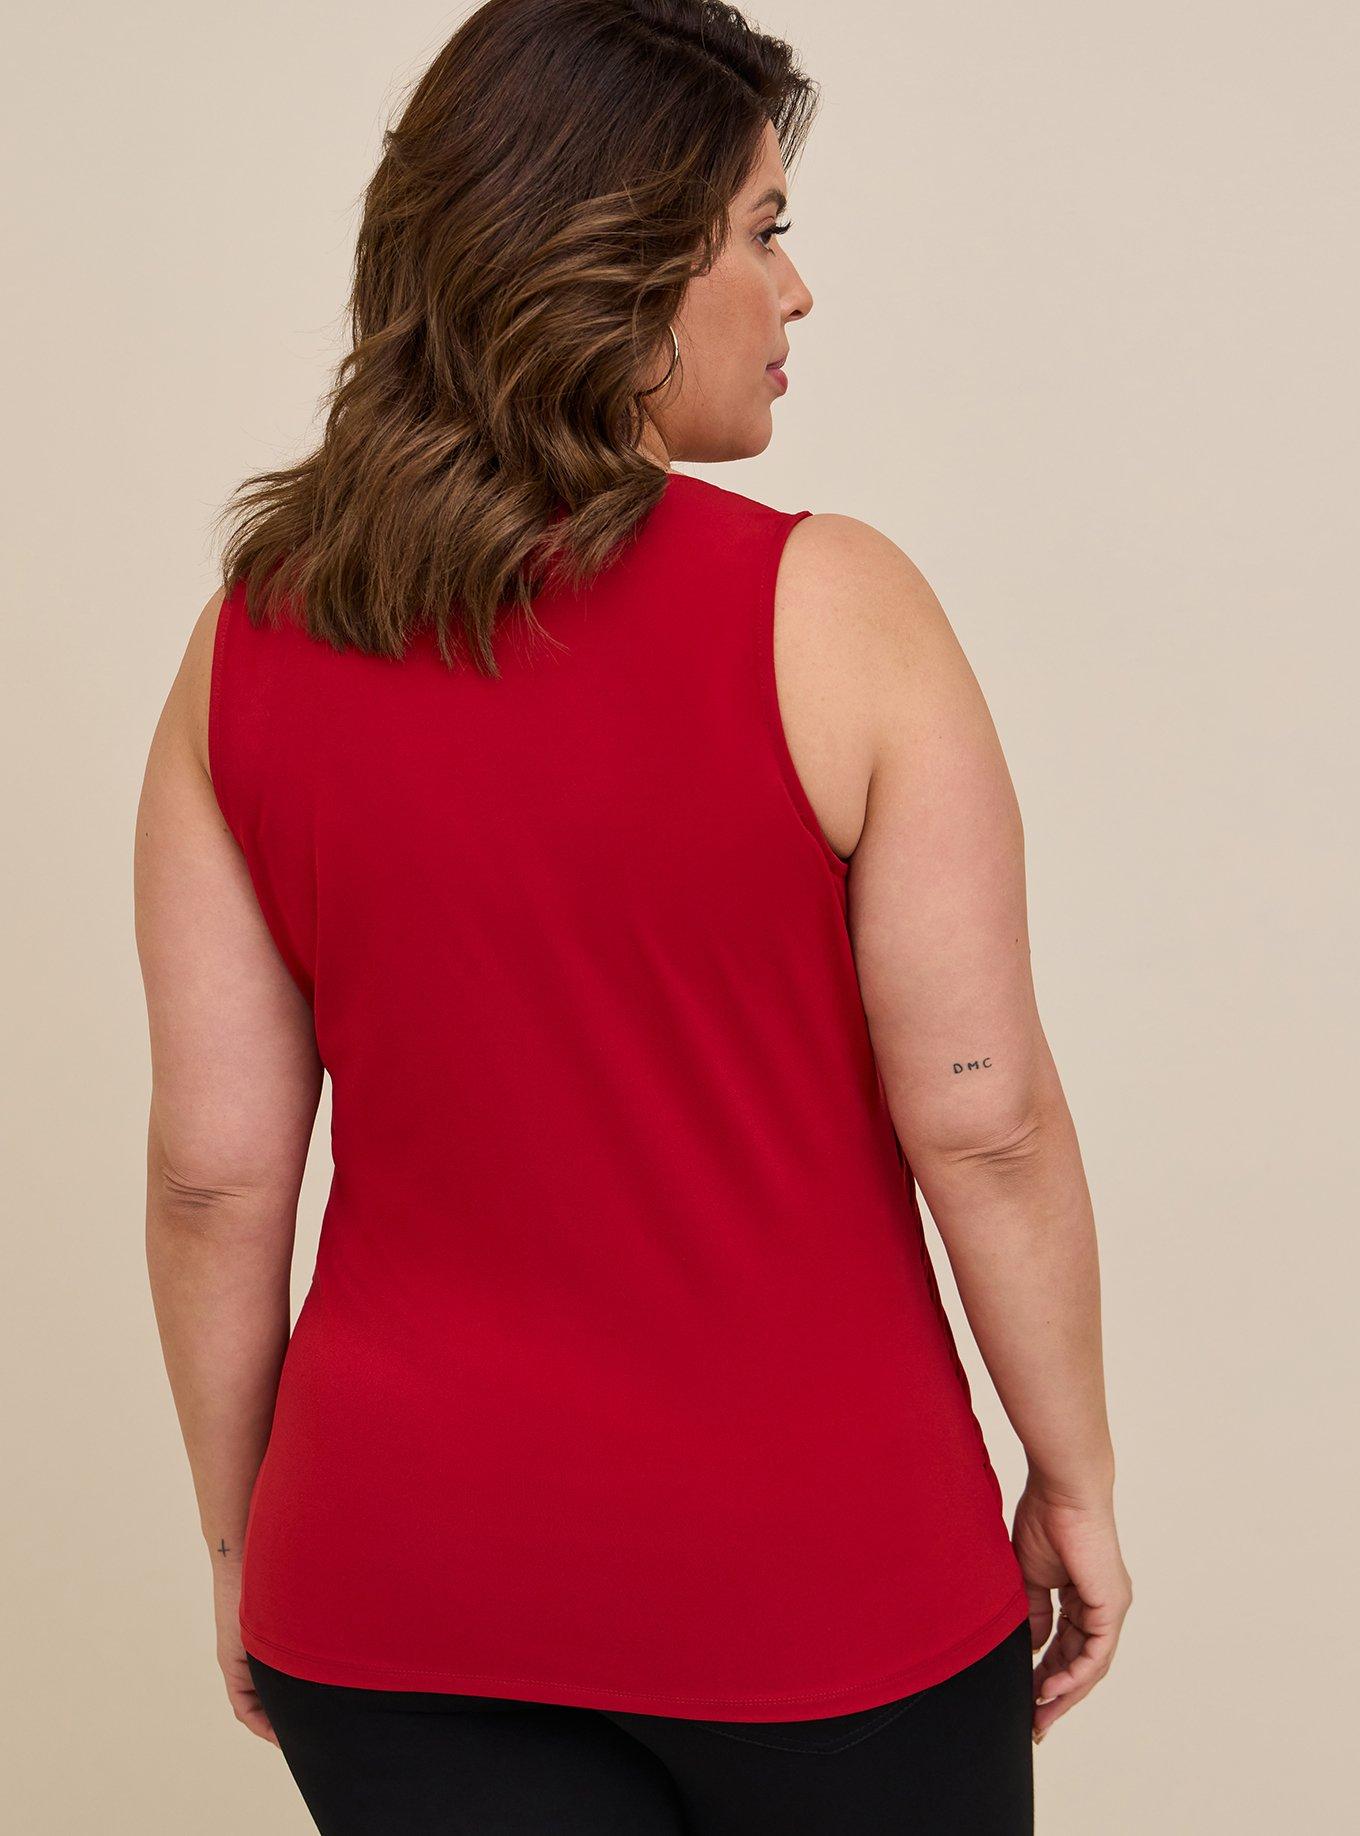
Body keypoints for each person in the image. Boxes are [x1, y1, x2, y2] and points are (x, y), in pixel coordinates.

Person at [133, 2, 1131, 1830]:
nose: (796, 290)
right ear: (619, 255)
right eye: (761, 230)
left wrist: (237, 1540)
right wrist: (1074, 1473)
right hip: (826, 1579)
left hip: (390, 1580)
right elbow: (983, 1123)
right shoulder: (837, 611)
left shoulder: (249, 644)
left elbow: (214, 1175)